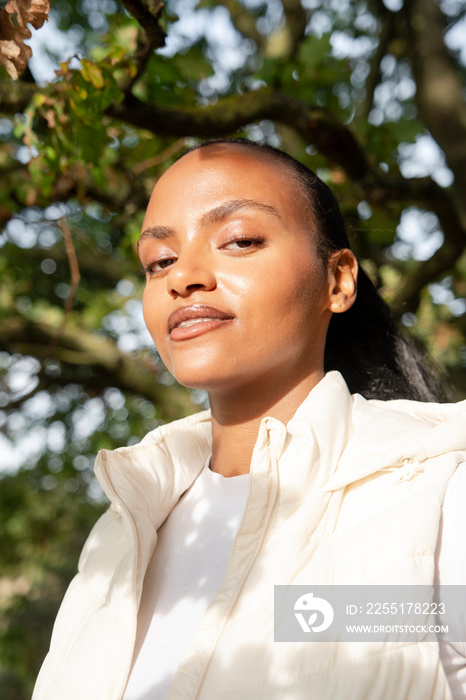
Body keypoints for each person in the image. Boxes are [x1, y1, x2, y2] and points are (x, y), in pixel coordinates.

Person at [33, 139, 466, 700]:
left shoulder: (436, 490)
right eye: (158, 262)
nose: (181, 276)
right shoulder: (122, 528)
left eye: (238, 240)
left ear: (337, 281)